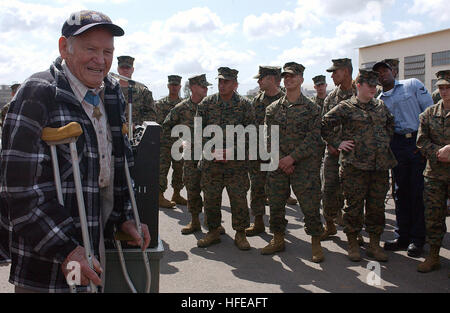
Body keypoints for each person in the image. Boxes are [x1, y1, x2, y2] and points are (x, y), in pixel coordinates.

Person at [0, 10, 150, 293]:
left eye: (107, 51)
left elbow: (120, 165)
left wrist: (125, 215)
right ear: (64, 48)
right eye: (90, 49)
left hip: (93, 244)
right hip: (50, 255)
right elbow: (19, 191)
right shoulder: (38, 93)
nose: (100, 59)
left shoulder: (112, 94)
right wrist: (67, 249)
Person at [322, 69, 397, 262]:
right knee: (353, 206)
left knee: (376, 207)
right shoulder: (346, 107)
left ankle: (374, 244)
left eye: (375, 86)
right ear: (359, 86)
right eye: (370, 86)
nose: (373, 89)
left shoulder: (380, 106)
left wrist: (383, 142)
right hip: (354, 167)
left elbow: (390, 124)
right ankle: (353, 242)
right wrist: (338, 142)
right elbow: (324, 124)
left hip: (379, 167)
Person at [263, 62, 325, 263]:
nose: (288, 79)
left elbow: (314, 138)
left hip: (303, 166)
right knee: (276, 203)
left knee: (310, 205)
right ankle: (278, 238)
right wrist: (281, 159)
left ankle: (316, 242)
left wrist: (291, 158)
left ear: (301, 79)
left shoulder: (312, 108)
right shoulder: (273, 108)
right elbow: (268, 136)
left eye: (292, 76)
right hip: (278, 164)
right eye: (285, 76)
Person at [374, 60, 433, 257]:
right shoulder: (379, 100)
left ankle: (417, 239)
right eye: (379, 73)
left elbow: (429, 113)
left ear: (393, 71)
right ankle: (402, 236)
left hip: (416, 142)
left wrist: (424, 144)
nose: (382, 74)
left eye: (385, 70)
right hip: (397, 145)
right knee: (400, 192)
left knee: (417, 192)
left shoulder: (412, 84)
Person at [196, 67, 255, 251]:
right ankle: (213, 231)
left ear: (235, 84)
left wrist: (230, 152)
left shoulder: (245, 105)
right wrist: (212, 150)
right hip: (211, 163)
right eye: (220, 81)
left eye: (226, 82)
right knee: (211, 198)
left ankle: (240, 233)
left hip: (235, 165)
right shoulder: (207, 104)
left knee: (238, 199)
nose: (222, 85)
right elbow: (198, 130)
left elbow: (251, 134)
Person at [161, 74, 224, 235]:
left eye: (206, 87)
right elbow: (166, 126)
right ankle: (195, 221)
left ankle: (214, 223)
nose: (205, 89)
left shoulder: (213, 106)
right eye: (202, 86)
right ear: (193, 87)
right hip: (190, 156)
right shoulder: (181, 108)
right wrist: (179, 141)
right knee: (192, 189)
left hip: (210, 155)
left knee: (212, 191)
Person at [320, 58, 359, 242]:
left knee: (354, 194)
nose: (333, 75)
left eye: (335, 72)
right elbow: (323, 125)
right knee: (328, 189)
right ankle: (330, 225)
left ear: (345, 71)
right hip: (333, 153)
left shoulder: (361, 94)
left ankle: (354, 232)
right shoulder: (331, 97)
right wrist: (332, 143)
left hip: (354, 155)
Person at [416, 70, 450, 273]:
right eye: (441, 87)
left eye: (448, 87)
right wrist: (439, 153)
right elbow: (421, 142)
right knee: (433, 217)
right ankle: (434, 256)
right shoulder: (428, 114)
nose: (444, 91)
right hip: (435, 174)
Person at [246, 66, 284, 237]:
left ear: (271, 79)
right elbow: (250, 127)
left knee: (277, 191)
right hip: (258, 152)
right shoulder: (256, 101)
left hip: (279, 153)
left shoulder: (285, 100)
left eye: (261, 78)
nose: (258, 81)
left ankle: (278, 227)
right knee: (257, 188)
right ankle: (258, 221)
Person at [156, 75, 186, 208]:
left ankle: (176, 194)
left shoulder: (184, 105)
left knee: (179, 170)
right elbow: (157, 122)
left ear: (180, 87)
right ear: (168, 86)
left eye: (176, 85)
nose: (174, 87)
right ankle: (159, 196)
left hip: (179, 143)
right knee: (162, 170)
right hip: (164, 143)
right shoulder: (160, 104)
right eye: (172, 85)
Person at [117, 55, 156, 127]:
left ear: (132, 69)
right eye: (122, 67)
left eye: (128, 67)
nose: (125, 70)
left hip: (136, 134)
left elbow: (151, 115)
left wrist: (136, 125)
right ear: (118, 69)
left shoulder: (143, 92)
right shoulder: (110, 89)